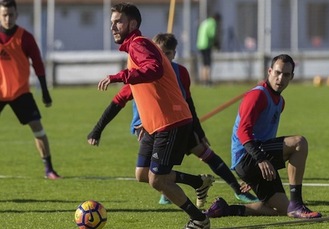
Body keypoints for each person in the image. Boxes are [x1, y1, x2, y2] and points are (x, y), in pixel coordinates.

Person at [87, 33, 258, 206]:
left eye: (167, 53)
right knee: (146, 173)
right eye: (159, 52)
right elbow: (117, 102)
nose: (163, 57)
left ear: (174, 54)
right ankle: (174, 190)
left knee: (205, 153)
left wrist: (199, 131)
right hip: (153, 128)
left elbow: (188, 102)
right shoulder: (142, 74)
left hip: (180, 123)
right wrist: (97, 130)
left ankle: (236, 190)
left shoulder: (181, 72)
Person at [97, 3, 211, 228]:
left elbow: (155, 68)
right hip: (155, 125)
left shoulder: (139, 44)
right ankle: (198, 181)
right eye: (112, 22)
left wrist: (121, 75)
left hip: (171, 121)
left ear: (133, 24)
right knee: (142, 173)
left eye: (118, 22)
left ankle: (200, 219)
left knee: (157, 179)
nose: (113, 27)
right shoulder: (135, 47)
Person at [204, 54, 322, 219]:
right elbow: (243, 132)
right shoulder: (257, 95)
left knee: (282, 210)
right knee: (299, 144)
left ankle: (226, 209)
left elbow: (266, 138)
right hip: (247, 156)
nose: (280, 78)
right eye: (278, 73)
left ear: (292, 77)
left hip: (253, 159)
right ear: (269, 71)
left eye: (286, 75)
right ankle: (298, 204)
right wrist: (259, 160)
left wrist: (253, 174)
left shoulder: (280, 102)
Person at [0, 0, 60, 180]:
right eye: (4, 15)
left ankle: (49, 169)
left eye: (11, 14)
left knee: (37, 128)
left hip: (20, 92)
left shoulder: (25, 37)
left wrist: (45, 92)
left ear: (16, 15)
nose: (8, 18)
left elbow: (38, 64)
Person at [196, 12, 221, 86]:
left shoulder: (205, 21)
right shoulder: (213, 23)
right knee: (208, 63)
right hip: (206, 44)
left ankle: (203, 80)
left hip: (200, 44)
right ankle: (207, 81)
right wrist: (216, 43)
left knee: (204, 63)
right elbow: (212, 34)